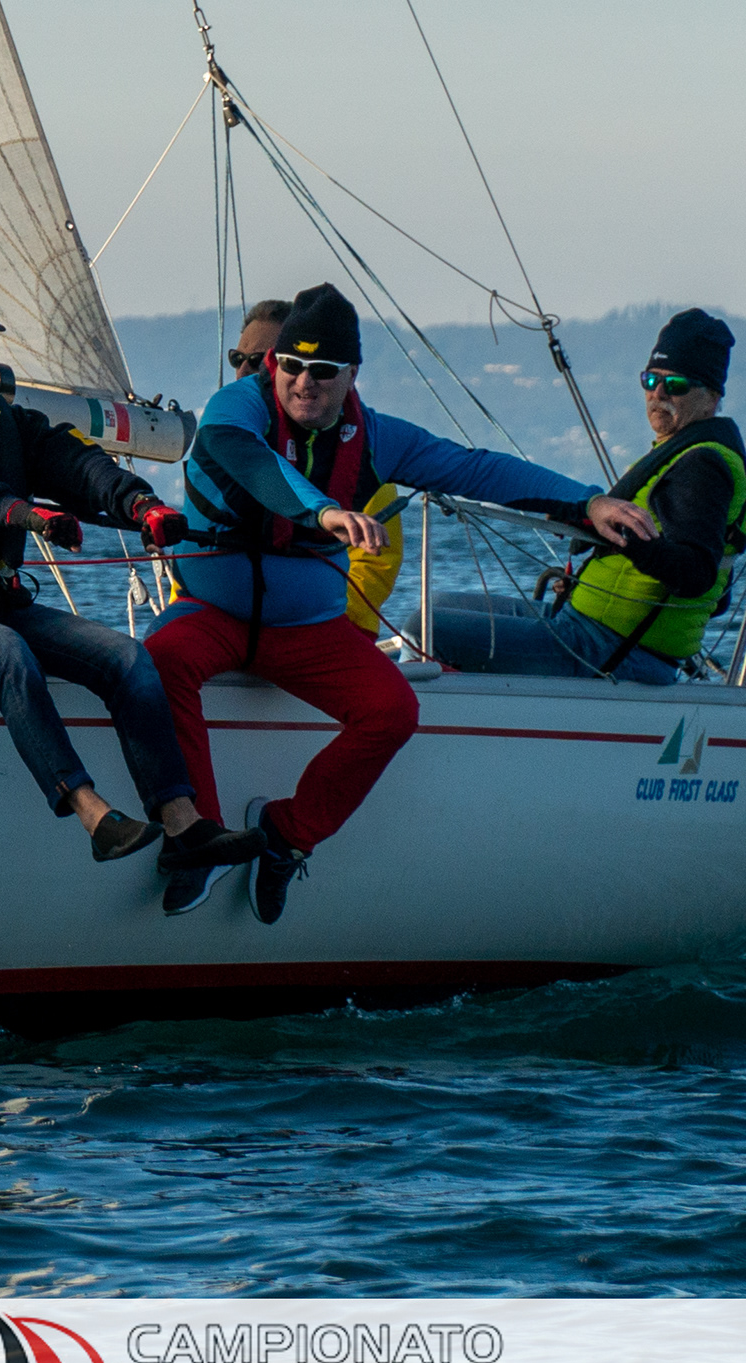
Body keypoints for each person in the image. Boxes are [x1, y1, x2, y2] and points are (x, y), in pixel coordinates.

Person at [149, 286, 656, 921]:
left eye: (322, 370)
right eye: (291, 365)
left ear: (351, 375)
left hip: (305, 630)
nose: (303, 382)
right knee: (158, 661)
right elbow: (253, 466)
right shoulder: (235, 409)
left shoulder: (377, 438)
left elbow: (476, 469)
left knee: (392, 710)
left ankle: (286, 837)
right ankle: (198, 839)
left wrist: (587, 503)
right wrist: (325, 512)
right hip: (213, 615)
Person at [0, 280, 253, 883]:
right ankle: (94, 817)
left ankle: (182, 826)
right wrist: (23, 513)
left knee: (129, 659)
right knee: (5, 650)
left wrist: (141, 505)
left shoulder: (11, 425)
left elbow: (79, 465)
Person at [425, 308, 746, 687]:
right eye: (650, 380)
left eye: (675, 384)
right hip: (587, 626)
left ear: (711, 397)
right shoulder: (684, 454)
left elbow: (696, 574)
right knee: (437, 606)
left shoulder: (702, 465)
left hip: (610, 649)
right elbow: (714, 594)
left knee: (427, 628)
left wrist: (621, 536)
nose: (658, 393)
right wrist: (589, 526)